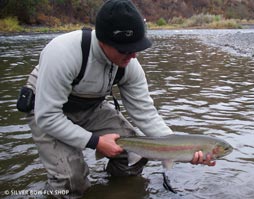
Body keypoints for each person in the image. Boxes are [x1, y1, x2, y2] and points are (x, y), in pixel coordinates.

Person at [26, 0, 215, 198]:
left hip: (90, 106)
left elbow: (146, 114)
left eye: (137, 47)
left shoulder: (130, 65)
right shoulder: (63, 53)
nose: (133, 55)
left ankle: (117, 190)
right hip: (45, 109)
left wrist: (180, 148)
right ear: (102, 40)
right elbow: (47, 117)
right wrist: (96, 142)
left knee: (134, 152)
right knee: (72, 181)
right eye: (125, 49)